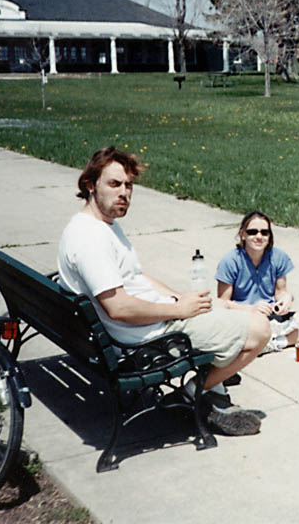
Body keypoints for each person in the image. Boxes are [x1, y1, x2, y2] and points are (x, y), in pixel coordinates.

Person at [57, 146, 271, 436]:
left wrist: (179, 298)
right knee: (260, 329)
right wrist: (178, 310)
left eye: (129, 185)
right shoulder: (90, 239)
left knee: (219, 305)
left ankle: (215, 391)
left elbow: (135, 276)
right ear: (90, 185)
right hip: (147, 337)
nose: (124, 193)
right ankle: (195, 391)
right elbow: (118, 308)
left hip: (151, 320)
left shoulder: (100, 225)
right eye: (114, 184)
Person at [215, 211, 299, 354]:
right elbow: (222, 304)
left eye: (264, 232)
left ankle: (277, 342)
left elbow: (280, 292)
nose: (259, 236)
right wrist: (251, 309)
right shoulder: (230, 261)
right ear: (243, 234)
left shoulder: (278, 257)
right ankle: (268, 338)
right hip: (245, 319)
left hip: (272, 317)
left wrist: (286, 299)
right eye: (252, 232)